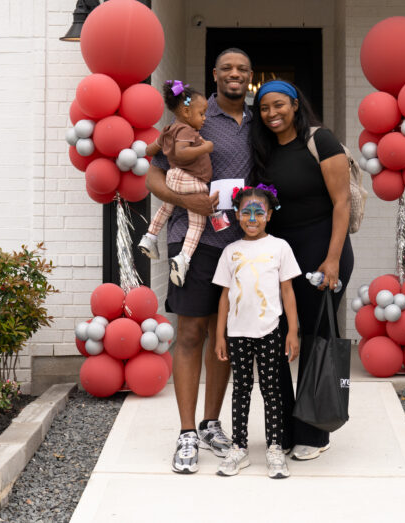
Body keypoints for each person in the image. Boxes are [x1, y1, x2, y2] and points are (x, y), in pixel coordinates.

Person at [145, 48, 254, 474]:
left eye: (242, 69)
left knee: (223, 336)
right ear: (214, 74)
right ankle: (187, 432)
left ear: (250, 77)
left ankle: (212, 424)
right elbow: (153, 171)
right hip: (192, 240)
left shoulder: (261, 122)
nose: (234, 74)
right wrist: (183, 198)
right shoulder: (191, 117)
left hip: (241, 244)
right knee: (190, 332)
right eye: (226, 68)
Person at [249, 79, 354, 461]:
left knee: (315, 336)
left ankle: (314, 431)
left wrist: (333, 259)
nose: (272, 113)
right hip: (276, 259)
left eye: (279, 105)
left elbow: (341, 203)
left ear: (295, 105)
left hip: (321, 251)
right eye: (264, 108)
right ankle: (285, 428)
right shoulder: (260, 150)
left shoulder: (320, 140)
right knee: (274, 340)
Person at [213, 185, 301, 479]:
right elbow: (224, 296)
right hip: (237, 333)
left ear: (269, 215)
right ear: (237, 215)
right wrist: (219, 335)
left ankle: (275, 447)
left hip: (270, 331)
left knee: (272, 391)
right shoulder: (231, 251)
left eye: (258, 212)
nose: (252, 218)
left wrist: (293, 331)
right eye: (246, 212)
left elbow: (287, 291)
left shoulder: (280, 247)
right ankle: (239, 447)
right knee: (241, 389)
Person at [138, 80, 214, 286]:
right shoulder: (187, 131)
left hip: (174, 178)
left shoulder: (168, 129)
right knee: (198, 222)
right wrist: (205, 147)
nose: (205, 118)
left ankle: (150, 237)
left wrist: (149, 149)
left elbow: (149, 150)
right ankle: (184, 258)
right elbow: (182, 153)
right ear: (187, 112)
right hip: (190, 178)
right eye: (202, 113)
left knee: (167, 206)